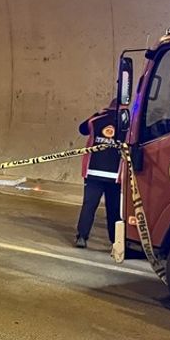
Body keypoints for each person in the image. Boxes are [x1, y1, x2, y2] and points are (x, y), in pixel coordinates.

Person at [75, 100, 123, 249]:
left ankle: (82, 237)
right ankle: (115, 240)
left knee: (89, 205)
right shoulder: (127, 124)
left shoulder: (96, 120)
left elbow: (82, 129)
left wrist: (97, 113)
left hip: (93, 172)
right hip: (115, 174)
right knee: (114, 209)